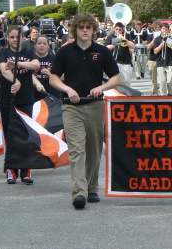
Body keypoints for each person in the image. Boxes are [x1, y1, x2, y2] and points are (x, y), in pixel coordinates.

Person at [50, 12, 121, 209]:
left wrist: (102, 87)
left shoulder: (102, 51)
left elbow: (116, 77)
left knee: (94, 149)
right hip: (71, 106)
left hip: (95, 104)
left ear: (93, 29)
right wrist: (67, 89)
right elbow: (53, 77)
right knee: (76, 150)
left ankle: (92, 188)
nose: (84, 30)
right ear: (74, 29)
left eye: (87, 27)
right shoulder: (65, 51)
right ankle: (78, 193)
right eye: (80, 27)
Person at [0, 26, 40, 185]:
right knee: (9, 135)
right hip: (7, 100)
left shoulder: (28, 53)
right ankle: (11, 171)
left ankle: (26, 171)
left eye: (18, 37)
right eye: (12, 37)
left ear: (23, 38)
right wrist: (18, 80)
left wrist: (18, 63)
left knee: (26, 135)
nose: (15, 40)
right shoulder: (3, 53)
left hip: (26, 99)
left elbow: (36, 65)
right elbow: (4, 69)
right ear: (8, 38)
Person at [105, 22, 134, 88]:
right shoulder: (110, 37)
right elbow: (106, 48)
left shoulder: (127, 36)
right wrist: (115, 43)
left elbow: (132, 46)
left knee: (126, 82)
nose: (118, 31)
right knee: (112, 82)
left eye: (120, 29)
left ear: (122, 30)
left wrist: (122, 39)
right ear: (114, 29)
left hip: (125, 62)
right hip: (113, 62)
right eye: (117, 29)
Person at [32, 36, 60, 102]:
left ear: (48, 45)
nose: (42, 46)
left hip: (52, 94)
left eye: (44, 44)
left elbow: (62, 77)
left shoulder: (55, 58)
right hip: (34, 95)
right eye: (39, 43)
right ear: (35, 45)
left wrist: (50, 74)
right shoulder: (30, 58)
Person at [153, 24, 172, 96]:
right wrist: (162, 43)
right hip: (160, 61)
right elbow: (155, 51)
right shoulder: (157, 39)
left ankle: (170, 93)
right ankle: (163, 95)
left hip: (169, 61)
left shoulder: (171, 38)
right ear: (161, 30)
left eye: (166, 29)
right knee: (162, 81)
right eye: (163, 29)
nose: (165, 31)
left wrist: (168, 40)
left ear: (168, 30)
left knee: (170, 80)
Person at [146, 21, 161, 95]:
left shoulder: (164, 37)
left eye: (159, 28)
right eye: (156, 28)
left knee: (163, 78)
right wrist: (154, 40)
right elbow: (148, 48)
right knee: (153, 77)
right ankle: (155, 93)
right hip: (153, 58)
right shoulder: (150, 36)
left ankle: (164, 92)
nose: (157, 29)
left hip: (162, 58)